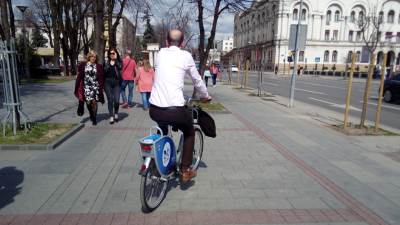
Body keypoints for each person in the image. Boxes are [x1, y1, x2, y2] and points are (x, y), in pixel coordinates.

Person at [149, 29, 211, 183]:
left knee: (164, 129)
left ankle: (162, 162)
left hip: (154, 108)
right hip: (174, 110)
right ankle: (185, 170)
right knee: (189, 131)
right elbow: (197, 80)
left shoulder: (160, 54)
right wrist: (205, 96)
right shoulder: (186, 56)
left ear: (166, 42)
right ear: (182, 43)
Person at [74, 50, 104, 126]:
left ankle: (94, 116)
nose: (93, 58)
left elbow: (101, 77)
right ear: (89, 57)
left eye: (94, 57)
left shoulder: (99, 66)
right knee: (88, 102)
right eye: (92, 56)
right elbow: (80, 75)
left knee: (94, 102)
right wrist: (77, 84)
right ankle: (92, 115)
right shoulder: (84, 65)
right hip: (86, 86)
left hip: (95, 86)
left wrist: (101, 87)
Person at [103, 48, 122, 124]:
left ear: (116, 54)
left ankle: (116, 113)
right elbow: (104, 72)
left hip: (116, 83)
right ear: (108, 54)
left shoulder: (119, 62)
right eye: (110, 53)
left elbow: (120, 67)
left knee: (117, 100)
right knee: (110, 99)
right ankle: (111, 116)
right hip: (107, 83)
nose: (112, 54)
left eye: (113, 53)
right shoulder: (106, 62)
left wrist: (116, 60)